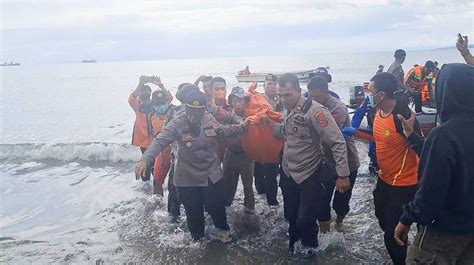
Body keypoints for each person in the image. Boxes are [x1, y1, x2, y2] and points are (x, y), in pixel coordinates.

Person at [135, 89, 250, 243]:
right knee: (193, 212)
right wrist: (145, 159)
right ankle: (198, 241)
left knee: (216, 206)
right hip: (187, 177)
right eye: (190, 111)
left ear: (203, 110)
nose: (192, 116)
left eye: (197, 112)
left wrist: (242, 127)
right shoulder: (177, 122)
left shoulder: (209, 119)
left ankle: (224, 232)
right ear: (185, 108)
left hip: (211, 172)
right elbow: (160, 141)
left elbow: (222, 130)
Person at [262, 73, 350, 258]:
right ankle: (294, 250)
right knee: (291, 217)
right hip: (288, 172)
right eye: (280, 95)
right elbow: (286, 133)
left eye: (287, 95)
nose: (283, 99)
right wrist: (270, 123)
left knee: (305, 220)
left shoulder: (316, 111)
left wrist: (343, 175)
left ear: (298, 91)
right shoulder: (287, 110)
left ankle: (311, 253)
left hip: (310, 174)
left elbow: (337, 142)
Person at [393, 63, 474, 264]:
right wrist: (412, 137)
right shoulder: (445, 138)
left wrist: (407, 218)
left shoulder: (444, 135)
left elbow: (431, 191)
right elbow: (452, 159)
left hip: (444, 231)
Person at [343, 73, 422, 264]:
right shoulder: (376, 113)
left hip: (405, 184)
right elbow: (380, 137)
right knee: (381, 217)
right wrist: (358, 132)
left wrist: (426, 181)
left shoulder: (403, 116)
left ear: (382, 95)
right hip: (385, 179)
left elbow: (423, 149)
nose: (366, 96)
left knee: (391, 236)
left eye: (370, 92)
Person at [307, 76, 360, 233]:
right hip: (326, 162)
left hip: (347, 161)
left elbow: (329, 135)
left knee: (341, 202)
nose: (312, 100)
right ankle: (324, 234)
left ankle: (339, 222)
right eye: (310, 96)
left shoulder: (338, 108)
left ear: (326, 92)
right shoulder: (311, 106)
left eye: (315, 97)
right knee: (321, 201)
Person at [223, 86, 256, 214]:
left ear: (245, 101)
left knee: (248, 185)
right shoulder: (226, 115)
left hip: (247, 155)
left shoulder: (252, 115)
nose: (238, 104)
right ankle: (226, 210)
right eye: (235, 101)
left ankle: (250, 210)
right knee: (228, 184)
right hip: (230, 153)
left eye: (241, 100)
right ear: (230, 102)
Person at [254, 74, 282, 206]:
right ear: (264, 86)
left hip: (277, 142)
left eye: (274, 84)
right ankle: (262, 199)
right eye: (268, 84)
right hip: (260, 143)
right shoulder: (257, 100)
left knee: (272, 174)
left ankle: (272, 203)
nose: (271, 87)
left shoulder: (282, 100)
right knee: (258, 173)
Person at [129, 75, 159, 181]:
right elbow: (131, 99)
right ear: (139, 95)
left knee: (154, 162)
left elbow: (168, 99)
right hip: (142, 139)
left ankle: (156, 182)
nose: (145, 95)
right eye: (142, 93)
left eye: (147, 93)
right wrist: (140, 84)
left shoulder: (155, 105)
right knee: (145, 160)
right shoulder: (138, 106)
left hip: (154, 139)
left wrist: (160, 85)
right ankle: (145, 185)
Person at [351, 82, 378, 177]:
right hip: (372, 130)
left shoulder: (395, 103)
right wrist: (352, 130)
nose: (370, 95)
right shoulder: (369, 100)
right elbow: (358, 115)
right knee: (372, 153)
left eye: (372, 92)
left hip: (386, 133)